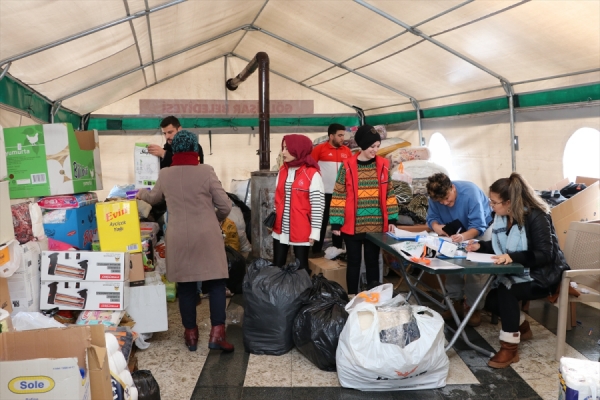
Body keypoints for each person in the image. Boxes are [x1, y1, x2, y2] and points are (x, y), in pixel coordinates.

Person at [136, 130, 233, 353]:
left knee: (187, 287)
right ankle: (217, 336)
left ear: (174, 150)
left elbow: (153, 198)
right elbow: (226, 206)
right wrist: (212, 219)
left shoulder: (166, 174)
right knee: (217, 284)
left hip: (178, 236)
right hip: (207, 236)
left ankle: (191, 336)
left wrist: (141, 192)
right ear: (195, 150)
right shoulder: (206, 171)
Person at [466, 172, 569, 368]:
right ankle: (522, 326)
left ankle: (509, 349)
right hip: (521, 272)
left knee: (507, 292)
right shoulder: (504, 218)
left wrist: (513, 258)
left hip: (544, 275)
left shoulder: (537, 216)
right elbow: (501, 248)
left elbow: (544, 255)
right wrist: (480, 247)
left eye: (494, 202)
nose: (492, 206)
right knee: (490, 300)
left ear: (508, 202)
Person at [330, 125, 398, 295]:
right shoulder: (347, 166)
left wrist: (392, 219)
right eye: (371, 147)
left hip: (375, 226)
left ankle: (374, 298)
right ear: (361, 145)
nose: (375, 150)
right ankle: (352, 296)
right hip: (352, 226)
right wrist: (336, 223)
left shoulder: (383, 165)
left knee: (372, 262)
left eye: (377, 147)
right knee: (353, 262)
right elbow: (338, 194)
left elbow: (390, 193)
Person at [426, 172, 492, 327]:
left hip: (478, 230)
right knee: (451, 263)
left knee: (475, 268)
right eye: (440, 202)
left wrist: (463, 237)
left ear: (453, 188)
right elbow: (431, 219)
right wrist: (437, 227)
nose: (445, 204)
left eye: (448, 199)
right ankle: (455, 302)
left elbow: (478, 226)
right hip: (455, 231)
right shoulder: (435, 196)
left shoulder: (470, 193)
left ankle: (473, 307)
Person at [272, 134, 325, 271]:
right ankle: (278, 292)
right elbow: (277, 198)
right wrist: (274, 219)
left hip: (301, 230)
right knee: (277, 265)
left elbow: (318, 206)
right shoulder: (282, 170)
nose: (283, 152)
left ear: (298, 149)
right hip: (280, 229)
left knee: (301, 268)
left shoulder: (312, 174)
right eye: (283, 148)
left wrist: (315, 232)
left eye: (287, 149)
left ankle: (302, 292)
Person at [310, 123, 353, 255]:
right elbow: (311, 169)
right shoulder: (319, 150)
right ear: (331, 136)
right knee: (321, 223)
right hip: (323, 194)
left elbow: (350, 172)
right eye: (339, 135)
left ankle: (337, 251)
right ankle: (316, 252)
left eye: (343, 135)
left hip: (340, 195)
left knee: (338, 223)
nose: (342, 138)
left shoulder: (347, 151)